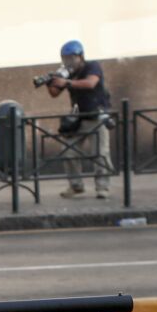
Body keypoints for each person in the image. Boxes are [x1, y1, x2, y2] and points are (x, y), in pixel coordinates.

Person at [44, 38, 115, 199]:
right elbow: (54, 94)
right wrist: (50, 82)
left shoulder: (92, 66)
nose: (68, 61)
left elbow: (90, 83)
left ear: (81, 56)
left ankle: (102, 187)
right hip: (78, 119)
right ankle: (76, 186)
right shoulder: (68, 72)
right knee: (68, 151)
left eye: (71, 57)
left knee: (101, 153)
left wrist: (66, 82)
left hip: (97, 116)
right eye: (65, 58)